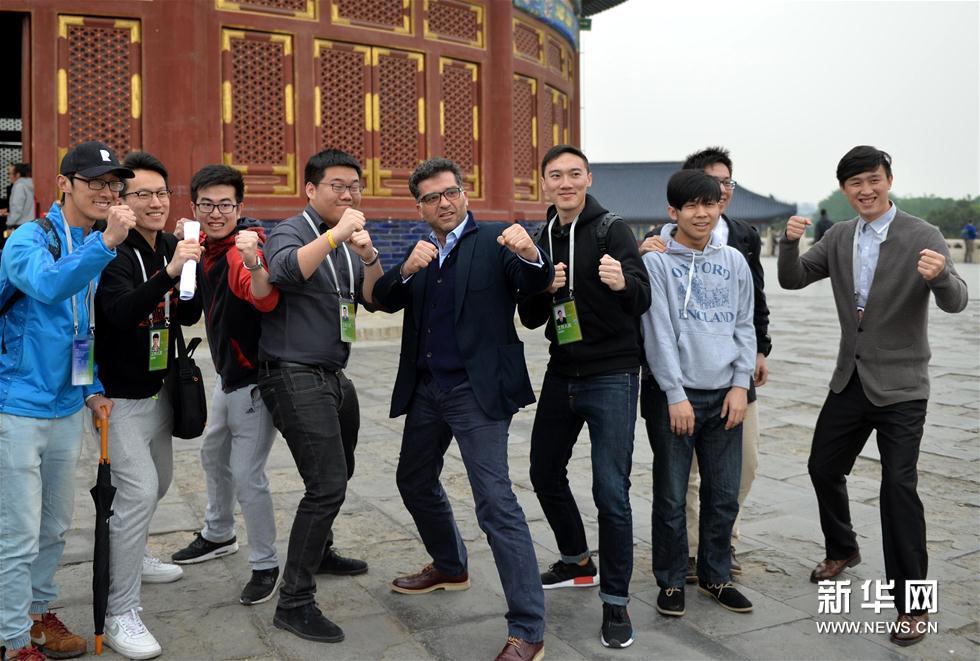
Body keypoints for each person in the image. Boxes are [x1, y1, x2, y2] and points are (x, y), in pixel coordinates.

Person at [778, 146, 968, 647]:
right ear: (844, 189)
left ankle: (913, 606)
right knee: (823, 466)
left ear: (888, 180)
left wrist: (940, 276)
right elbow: (792, 279)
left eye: (873, 180)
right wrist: (789, 244)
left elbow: (956, 301)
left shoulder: (922, 235)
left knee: (898, 489)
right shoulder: (840, 235)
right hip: (851, 380)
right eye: (854, 183)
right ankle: (843, 547)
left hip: (903, 387)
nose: (865, 190)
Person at [372, 158, 551, 661]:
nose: (444, 203)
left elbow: (533, 286)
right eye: (432, 197)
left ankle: (528, 629)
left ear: (464, 194)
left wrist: (532, 254)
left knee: (495, 503)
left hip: (478, 391)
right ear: (420, 207)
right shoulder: (422, 252)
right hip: (429, 388)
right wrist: (405, 269)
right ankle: (450, 565)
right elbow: (383, 300)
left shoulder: (496, 240)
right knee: (413, 479)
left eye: (450, 192)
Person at [0, 141, 136, 660]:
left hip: (63, 406)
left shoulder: (89, 243)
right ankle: (13, 640)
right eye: (95, 182)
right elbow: (48, 286)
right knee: (17, 531)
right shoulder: (28, 240)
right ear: (64, 184)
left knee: (55, 525)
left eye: (112, 183)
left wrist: (91, 387)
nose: (107, 191)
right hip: (16, 406)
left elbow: (82, 328)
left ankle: (37, 615)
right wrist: (107, 243)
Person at [518, 145, 651, 649]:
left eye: (575, 173)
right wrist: (541, 286)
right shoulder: (542, 237)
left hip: (613, 373)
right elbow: (530, 316)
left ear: (588, 179)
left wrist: (622, 282)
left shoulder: (612, 229)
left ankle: (616, 601)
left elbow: (643, 297)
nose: (566, 182)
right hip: (562, 370)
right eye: (556, 175)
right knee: (543, 471)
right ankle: (576, 560)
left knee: (610, 491)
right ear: (545, 183)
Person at [257, 149, 382, 644]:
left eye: (354, 186)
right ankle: (294, 601)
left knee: (340, 471)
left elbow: (370, 299)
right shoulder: (291, 230)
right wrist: (336, 235)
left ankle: (320, 550)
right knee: (326, 483)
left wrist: (369, 257)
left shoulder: (348, 240)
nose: (349, 194)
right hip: (293, 373)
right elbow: (284, 271)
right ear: (311, 189)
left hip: (334, 374)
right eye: (337, 185)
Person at [640, 146, 771, 581]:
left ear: (721, 204)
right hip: (677, 395)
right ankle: (673, 577)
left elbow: (745, 324)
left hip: (726, 393)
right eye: (692, 205)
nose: (702, 213)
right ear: (673, 211)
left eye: (710, 203)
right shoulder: (656, 259)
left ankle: (717, 575)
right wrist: (674, 393)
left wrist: (739, 386)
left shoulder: (734, 258)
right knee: (672, 494)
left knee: (725, 493)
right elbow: (657, 332)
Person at [93, 151, 203, 659]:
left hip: (159, 389)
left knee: (158, 483)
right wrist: (169, 273)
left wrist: (189, 271)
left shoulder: (167, 246)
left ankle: (131, 555)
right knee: (136, 494)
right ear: (122, 200)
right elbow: (118, 313)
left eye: (162, 193)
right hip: (119, 397)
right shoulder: (112, 250)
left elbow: (187, 314)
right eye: (143, 194)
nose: (156, 202)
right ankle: (119, 611)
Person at [170, 164, 282, 609]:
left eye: (225, 205)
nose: (216, 213)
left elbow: (261, 295)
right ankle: (219, 534)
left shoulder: (239, 250)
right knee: (213, 455)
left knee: (248, 474)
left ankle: (265, 564)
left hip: (254, 381)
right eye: (207, 205)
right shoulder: (207, 248)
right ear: (194, 206)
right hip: (228, 377)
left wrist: (252, 260)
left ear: (240, 207)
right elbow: (190, 308)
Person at [6, 164, 35, 231]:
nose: (9, 176)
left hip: (20, 225)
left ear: (18, 174)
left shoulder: (19, 186)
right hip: (30, 223)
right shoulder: (29, 184)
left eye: (10, 174)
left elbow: (17, 208)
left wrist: (9, 223)